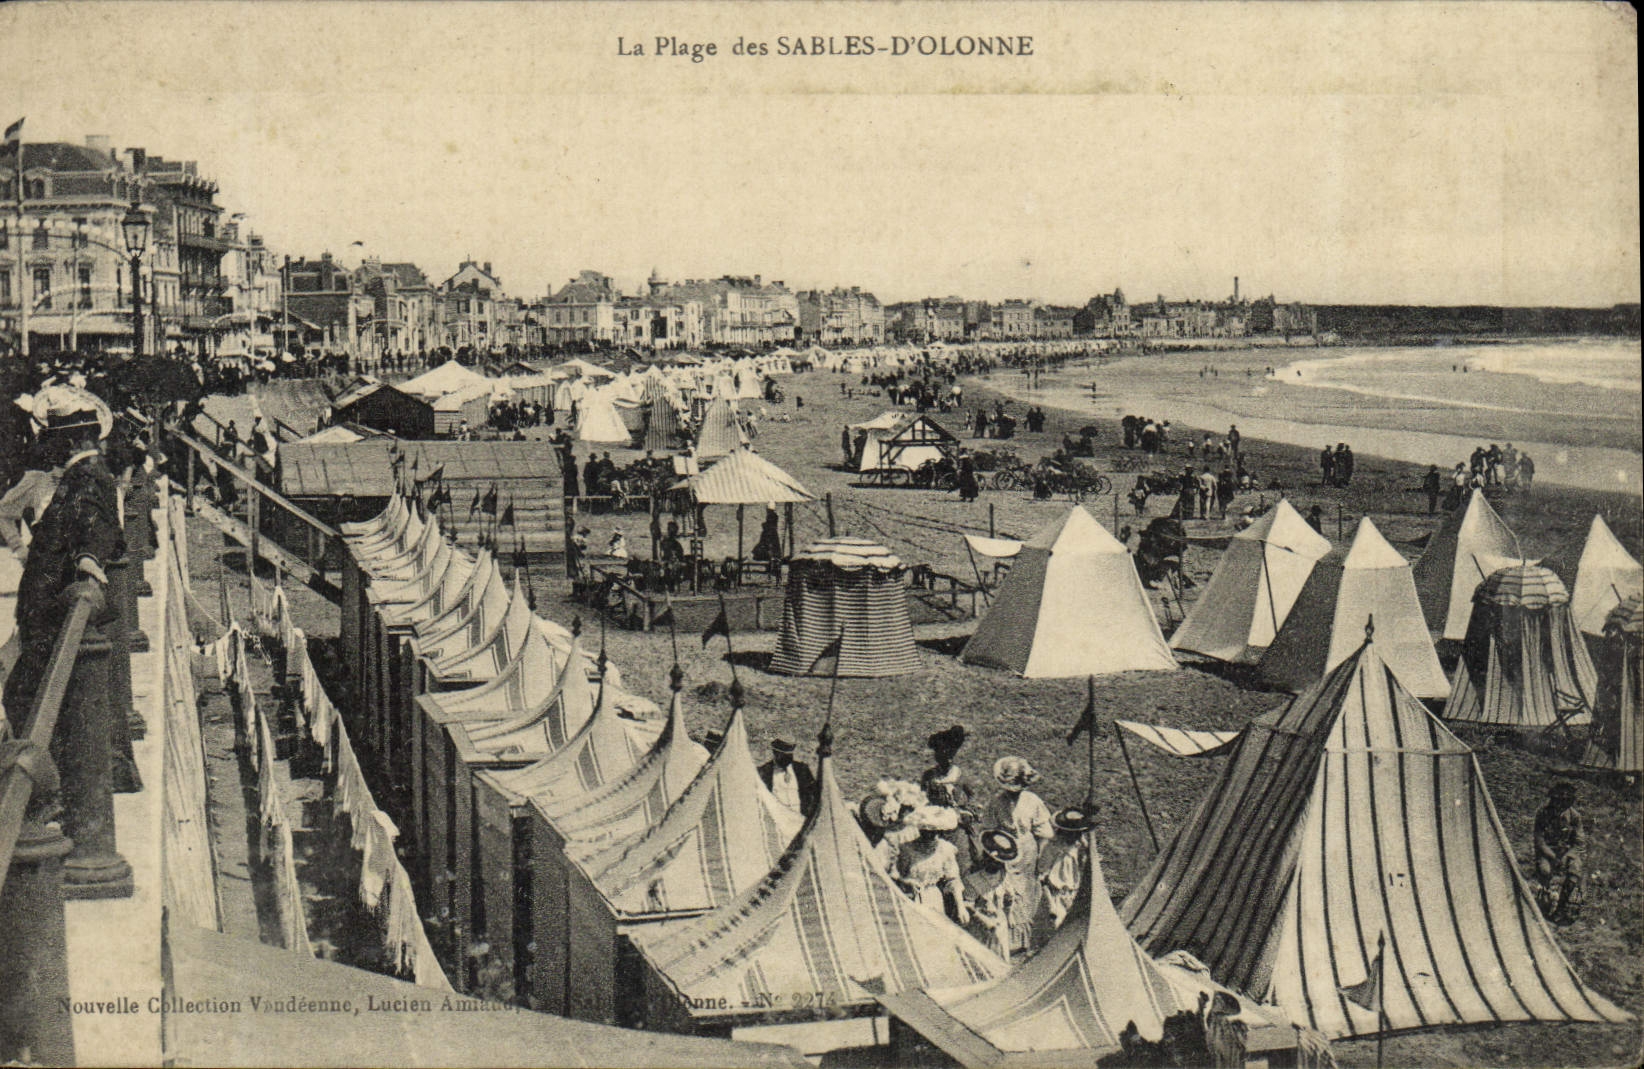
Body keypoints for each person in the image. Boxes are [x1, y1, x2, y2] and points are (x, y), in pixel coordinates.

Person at [3, 394, 131, 791]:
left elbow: (98, 523)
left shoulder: (88, 475)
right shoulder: (87, 473)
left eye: (55, 438)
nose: (48, 446)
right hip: (45, 611)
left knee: (23, 695)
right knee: (28, 692)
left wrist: (89, 557)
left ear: (73, 441)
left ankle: (45, 790)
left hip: (49, 613)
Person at [984, 757, 1054, 957]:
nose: (1012, 793)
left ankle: (1026, 943)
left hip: (1027, 856)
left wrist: (1040, 860)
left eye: (1017, 788)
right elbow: (988, 831)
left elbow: (1045, 834)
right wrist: (995, 852)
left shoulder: (1033, 802)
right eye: (1009, 788)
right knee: (1006, 895)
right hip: (1004, 852)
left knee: (1025, 895)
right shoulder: (996, 803)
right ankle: (1006, 941)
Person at [891, 806, 970, 923]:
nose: (931, 836)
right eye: (927, 832)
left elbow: (953, 880)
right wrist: (906, 882)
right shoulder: (906, 849)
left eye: (935, 832)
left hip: (933, 899)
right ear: (920, 830)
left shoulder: (945, 849)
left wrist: (961, 907)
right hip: (908, 897)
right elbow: (894, 875)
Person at [1035, 805, 1095, 938]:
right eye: (1072, 832)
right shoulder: (1052, 848)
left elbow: (1085, 863)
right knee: (1056, 933)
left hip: (1073, 895)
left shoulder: (1078, 848)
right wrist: (1051, 905)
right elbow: (1041, 878)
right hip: (1054, 896)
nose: (1075, 836)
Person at [963, 830, 1019, 962]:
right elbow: (968, 904)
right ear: (986, 858)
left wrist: (1009, 913)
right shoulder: (973, 880)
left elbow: (1009, 897)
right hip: (981, 923)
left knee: (1001, 955)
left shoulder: (1004, 876)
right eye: (992, 860)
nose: (995, 864)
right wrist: (984, 920)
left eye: (998, 862)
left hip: (999, 920)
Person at [1534, 782, 1585, 923]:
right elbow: (1539, 840)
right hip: (1548, 853)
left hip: (1567, 853)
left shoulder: (1575, 817)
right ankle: (1545, 899)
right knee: (1544, 870)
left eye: (1564, 802)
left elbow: (1579, 843)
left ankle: (1561, 907)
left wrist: (1567, 856)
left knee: (1575, 870)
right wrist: (1552, 856)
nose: (1558, 806)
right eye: (1556, 801)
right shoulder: (1543, 813)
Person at [758, 739, 818, 818]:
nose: (788, 760)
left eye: (790, 756)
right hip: (778, 822)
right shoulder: (764, 772)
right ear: (775, 753)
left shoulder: (802, 770)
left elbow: (813, 794)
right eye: (784, 756)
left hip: (801, 820)